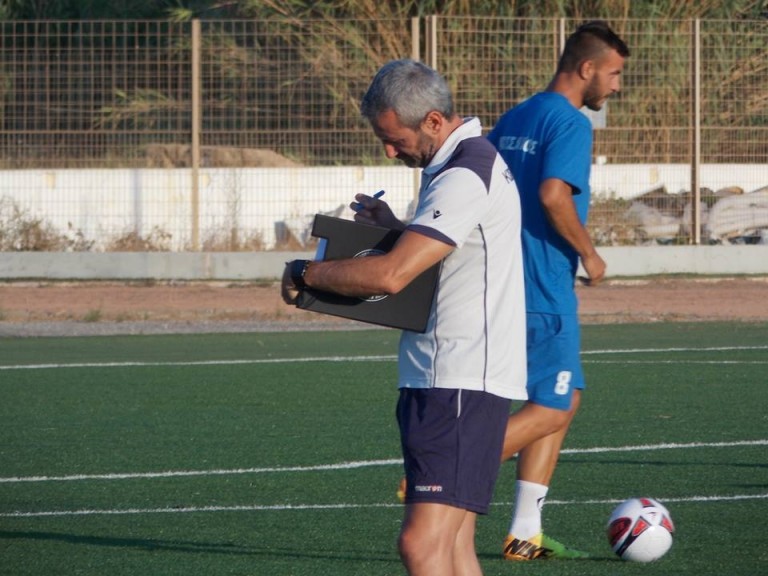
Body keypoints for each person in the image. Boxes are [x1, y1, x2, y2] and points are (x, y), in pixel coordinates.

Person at [282, 59, 527, 576]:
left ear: (434, 121)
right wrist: (397, 227)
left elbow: (392, 276)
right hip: (460, 375)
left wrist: (306, 272)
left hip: (458, 377)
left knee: (421, 546)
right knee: (453, 549)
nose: (389, 151)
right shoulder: (463, 163)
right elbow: (447, 257)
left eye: (393, 139)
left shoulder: (465, 173)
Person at [487, 20, 630, 561]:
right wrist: (589, 253)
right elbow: (552, 195)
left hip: (501, 280)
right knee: (551, 405)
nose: (616, 86)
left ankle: (525, 534)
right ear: (587, 68)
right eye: (614, 74)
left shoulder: (515, 116)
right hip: (545, 283)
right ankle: (445, 471)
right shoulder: (570, 123)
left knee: (563, 398)